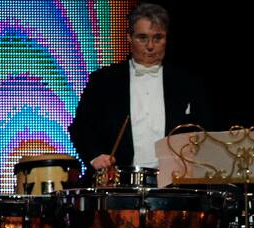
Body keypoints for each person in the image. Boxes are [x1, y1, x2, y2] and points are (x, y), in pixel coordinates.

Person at [68, 3, 209, 174]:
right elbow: (81, 127)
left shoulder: (187, 82)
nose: (150, 46)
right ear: (129, 37)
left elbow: (206, 130)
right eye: (142, 38)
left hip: (175, 180)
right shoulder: (104, 81)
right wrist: (95, 156)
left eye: (158, 38)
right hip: (118, 180)